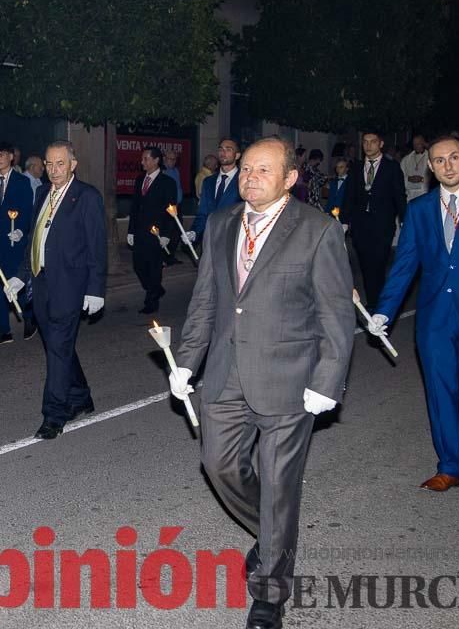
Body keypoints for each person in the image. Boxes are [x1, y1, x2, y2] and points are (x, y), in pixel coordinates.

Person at [170, 137, 353, 629]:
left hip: (289, 381)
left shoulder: (317, 230)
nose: (250, 177)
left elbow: (335, 313)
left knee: (278, 483)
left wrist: (327, 380)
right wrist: (187, 361)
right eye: (246, 168)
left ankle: (270, 592)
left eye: (263, 170)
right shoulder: (221, 223)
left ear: (289, 178)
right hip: (225, 375)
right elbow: (207, 299)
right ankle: (275, 534)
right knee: (218, 465)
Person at [369, 136, 459, 502]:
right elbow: (404, 266)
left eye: (453, 158)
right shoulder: (420, 209)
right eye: (439, 161)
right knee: (440, 391)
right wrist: (384, 310)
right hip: (435, 320)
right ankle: (449, 467)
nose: (447, 165)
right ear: (430, 167)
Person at [2, 140, 106, 439]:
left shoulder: (86, 196)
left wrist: (95, 288)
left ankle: (53, 415)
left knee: (57, 349)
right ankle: (81, 396)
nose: (53, 169)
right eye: (48, 164)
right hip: (42, 283)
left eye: (60, 163)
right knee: (58, 347)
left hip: (71, 286)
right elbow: (35, 239)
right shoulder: (42, 194)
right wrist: (21, 277)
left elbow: (96, 245)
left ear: (73, 164)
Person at [0, 141, 36, 345]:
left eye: (2, 155)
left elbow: (28, 211)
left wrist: (21, 230)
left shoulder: (21, 182)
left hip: (14, 243)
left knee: (16, 284)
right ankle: (4, 330)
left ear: (11, 157)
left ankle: (29, 319)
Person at [341, 132, 405, 308]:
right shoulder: (356, 167)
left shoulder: (391, 167)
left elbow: (399, 196)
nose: (368, 145)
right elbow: (349, 196)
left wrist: (405, 221)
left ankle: (378, 304)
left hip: (382, 227)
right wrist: (344, 222)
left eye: (373, 142)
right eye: (365, 142)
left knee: (377, 266)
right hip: (361, 227)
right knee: (365, 266)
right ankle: (374, 300)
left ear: (381, 144)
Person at [128, 147, 178, 314]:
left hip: (157, 233)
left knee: (154, 267)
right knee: (138, 266)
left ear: (156, 160)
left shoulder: (167, 183)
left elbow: (171, 210)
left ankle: (151, 302)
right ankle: (155, 288)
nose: (142, 162)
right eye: (142, 159)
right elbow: (135, 207)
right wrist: (130, 231)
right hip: (140, 232)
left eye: (146, 159)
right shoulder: (139, 180)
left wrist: (166, 235)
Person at [189, 138, 242, 245]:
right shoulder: (208, 181)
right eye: (221, 149)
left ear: (237, 155)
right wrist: (194, 231)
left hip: (233, 241)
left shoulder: (243, 180)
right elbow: (203, 213)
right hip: (209, 239)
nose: (223, 153)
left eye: (228, 149)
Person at [400, 134, 429, 202]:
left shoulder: (430, 158)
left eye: (419, 143)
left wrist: (422, 179)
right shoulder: (406, 159)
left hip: (425, 192)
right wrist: (409, 178)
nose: (416, 146)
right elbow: (400, 177)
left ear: (423, 143)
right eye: (415, 144)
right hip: (410, 194)